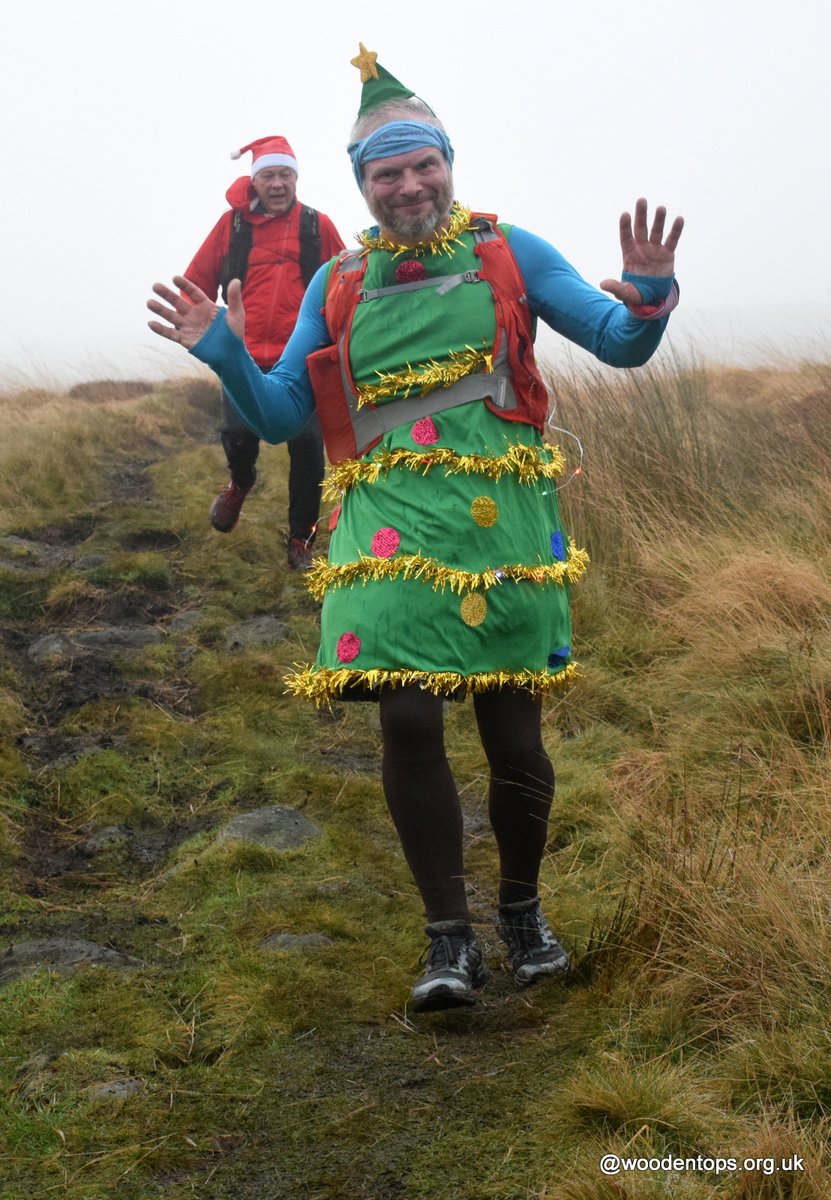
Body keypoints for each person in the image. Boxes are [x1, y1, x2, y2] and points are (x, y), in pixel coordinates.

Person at [148, 46, 683, 1012]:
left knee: (514, 734)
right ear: (362, 185)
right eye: (384, 172)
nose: (407, 186)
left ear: (447, 163)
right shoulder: (339, 283)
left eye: (420, 165)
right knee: (405, 714)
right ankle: (449, 942)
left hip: (501, 519)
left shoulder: (508, 249)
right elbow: (276, 416)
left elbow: (617, 344)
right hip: (384, 519)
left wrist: (645, 297)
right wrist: (222, 350)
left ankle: (520, 910)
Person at [183, 135, 345, 568]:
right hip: (244, 356)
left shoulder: (318, 225)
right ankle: (240, 483)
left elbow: (347, 283)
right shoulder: (230, 227)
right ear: (255, 181)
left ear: (296, 179)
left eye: (285, 175)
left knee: (308, 449)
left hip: (304, 358)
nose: (277, 184)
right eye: (269, 175)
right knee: (239, 436)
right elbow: (196, 281)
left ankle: (301, 541)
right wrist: (196, 319)